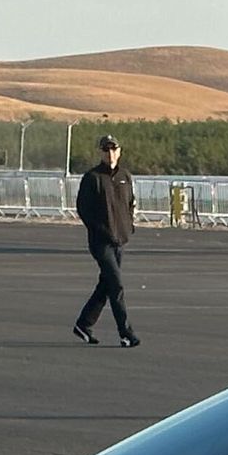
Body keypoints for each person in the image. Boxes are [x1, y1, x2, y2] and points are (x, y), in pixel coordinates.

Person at [73, 134, 140, 347]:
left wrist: (128, 227)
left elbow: (130, 203)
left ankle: (84, 324)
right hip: (101, 243)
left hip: (120, 240)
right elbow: (84, 209)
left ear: (119, 152)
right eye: (106, 150)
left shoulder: (125, 176)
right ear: (100, 152)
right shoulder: (92, 178)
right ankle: (125, 333)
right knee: (117, 285)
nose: (110, 154)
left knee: (106, 285)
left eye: (113, 150)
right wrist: (101, 231)